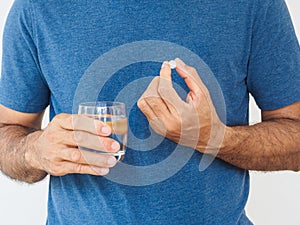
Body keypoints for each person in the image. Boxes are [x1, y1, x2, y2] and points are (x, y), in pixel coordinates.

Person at [0, 0, 299, 224]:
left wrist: (215, 138)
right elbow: (7, 131)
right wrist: (33, 151)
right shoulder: (38, 7)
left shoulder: (253, 4)